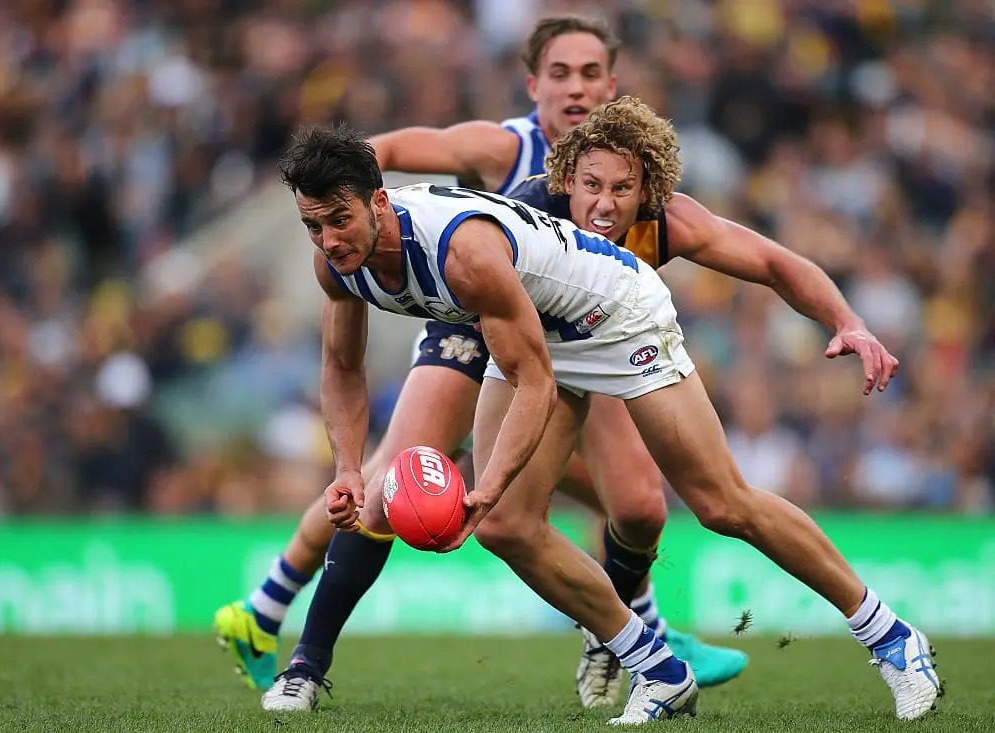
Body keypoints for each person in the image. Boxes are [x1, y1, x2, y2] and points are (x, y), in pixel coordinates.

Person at [264, 122, 941, 724]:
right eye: (313, 226)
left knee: (721, 504)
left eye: (338, 220)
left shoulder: (463, 254)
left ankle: (892, 637)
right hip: (534, 332)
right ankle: (660, 672)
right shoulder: (339, 266)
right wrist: (349, 467)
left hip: (616, 315)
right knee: (506, 530)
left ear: (379, 201)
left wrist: (489, 479)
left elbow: (535, 379)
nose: (328, 239)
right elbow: (342, 369)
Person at [214, 15, 743, 708]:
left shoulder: (617, 181)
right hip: (468, 323)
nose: (575, 87)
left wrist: (843, 318)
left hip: (563, 326)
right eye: (561, 73)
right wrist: (337, 176)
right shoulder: (500, 147)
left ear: (613, 87)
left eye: (589, 74)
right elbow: (400, 151)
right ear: (535, 84)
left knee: (639, 506)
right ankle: (292, 645)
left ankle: (633, 628)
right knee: (383, 484)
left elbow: (537, 371)